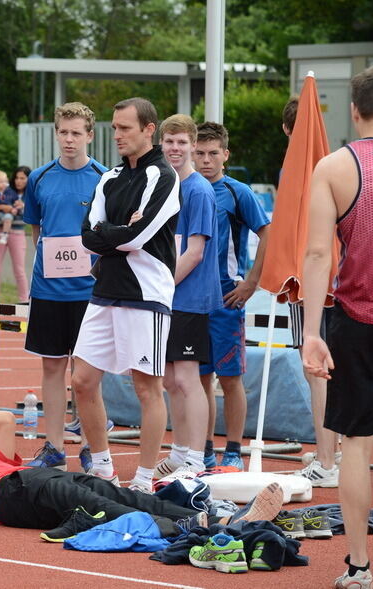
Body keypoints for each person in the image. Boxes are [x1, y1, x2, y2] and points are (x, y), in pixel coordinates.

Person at [0, 409, 285, 539]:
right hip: (11, 497)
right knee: (99, 505)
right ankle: (199, 527)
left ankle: (225, 518)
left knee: (114, 493)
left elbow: (4, 419)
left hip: (27, 483)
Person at [301, 64, 373, 589]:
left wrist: (311, 330)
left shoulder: (333, 166)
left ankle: (359, 566)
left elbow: (318, 253)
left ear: (355, 111)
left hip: (355, 319)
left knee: (356, 446)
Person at [72, 97, 180, 493]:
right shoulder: (108, 178)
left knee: (146, 387)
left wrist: (112, 233)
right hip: (105, 292)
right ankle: (103, 470)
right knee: (81, 380)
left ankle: (144, 479)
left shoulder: (164, 176)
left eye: (125, 128)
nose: (116, 135)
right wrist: (117, 233)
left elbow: (139, 235)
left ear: (149, 129)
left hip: (145, 293)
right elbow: (86, 237)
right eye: (114, 128)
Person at [21, 102, 108, 469]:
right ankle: (54, 447)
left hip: (89, 293)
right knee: (53, 368)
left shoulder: (105, 178)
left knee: (87, 375)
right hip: (48, 290)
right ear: (56, 133)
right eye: (63, 132)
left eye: (76, 133)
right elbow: (36, 231)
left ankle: (90, 446)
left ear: (89, 135)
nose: (69, 139)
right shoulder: (40, 178)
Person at [192, 122, 271, 470]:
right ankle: (204, 449)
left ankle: (234, 451)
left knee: (230, 377)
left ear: (226, 154)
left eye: (213, 153)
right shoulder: (182, 189)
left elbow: (267, 232)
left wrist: (251, 282)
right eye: (200, 153)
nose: (206, 160)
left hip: (226, 298)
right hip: (191, 300)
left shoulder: (238, 192)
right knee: (198, 379)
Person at [153, 114, 222, 478]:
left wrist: (161, 285)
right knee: (168, 379)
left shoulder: (198, 190)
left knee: (188, 378)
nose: (175, 149)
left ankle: (196, 458)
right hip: (167, 297)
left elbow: (194, 252)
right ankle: (179, 452)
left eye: (181, 143)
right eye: (169, 142)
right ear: (161, 145)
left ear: (192, 146)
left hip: (188, 297)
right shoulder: (164, 186)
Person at [281, 96, 340, 487]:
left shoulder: (303, 171)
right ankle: (330, 451)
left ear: (289, 131)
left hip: (311, 283)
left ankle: (326, 460)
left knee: (317, 371)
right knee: (335, 370)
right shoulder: (336, 164)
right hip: (339, 279)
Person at [0, 166, 29, 303]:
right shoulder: (7, 191)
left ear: (28, 179)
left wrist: (21, 207)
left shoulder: (30, 195)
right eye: (17, 178)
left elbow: (30, 216)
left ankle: (24, 300)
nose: (18, 181)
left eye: (22, 178)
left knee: (19, 270)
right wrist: (6, 208)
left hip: (17, 233)